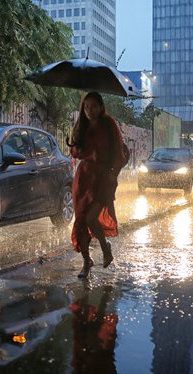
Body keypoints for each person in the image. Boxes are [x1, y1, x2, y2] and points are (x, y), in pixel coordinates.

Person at [69, 92, 127, 278]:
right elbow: (75, 153)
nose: (89, 110)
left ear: (101, 107)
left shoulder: (109, 124)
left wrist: (113, 177)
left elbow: (119, 155)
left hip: (103, 179)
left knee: (91, 218)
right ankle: (86, 262)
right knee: (81, 220)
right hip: (84, 178)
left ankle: (104, 246)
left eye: (93, 106)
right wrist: (76, 137)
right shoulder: (82, 125)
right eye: (86, 107)